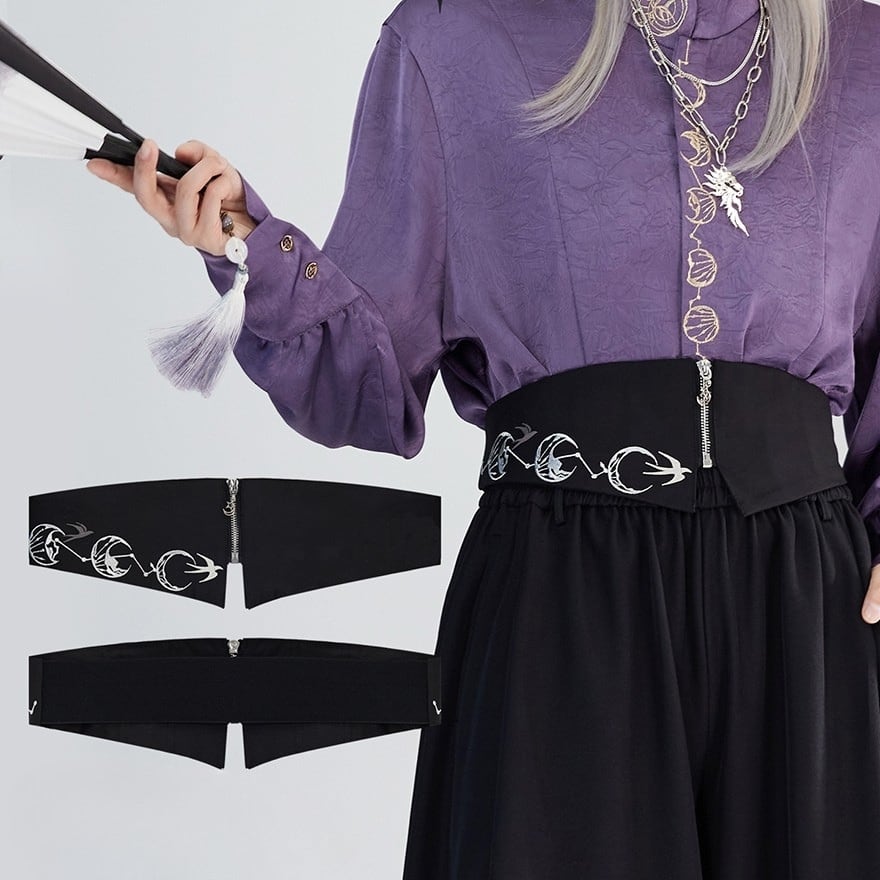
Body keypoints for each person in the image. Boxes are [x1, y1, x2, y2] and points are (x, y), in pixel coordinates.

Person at [85, 0, 880, 875]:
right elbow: (366, 387)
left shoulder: (865, 53)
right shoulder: (457, 37)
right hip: (561, 595)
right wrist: (249, 241)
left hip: (811, 614)